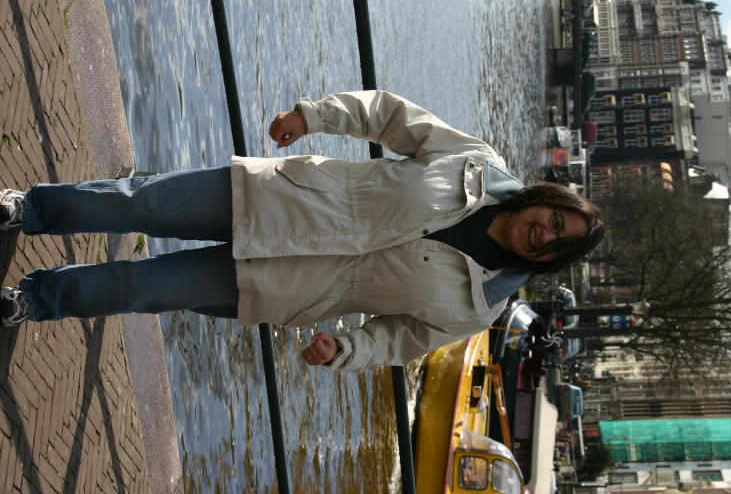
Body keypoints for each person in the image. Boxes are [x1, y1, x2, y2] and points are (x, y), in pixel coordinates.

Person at [0, 91, 605, 372]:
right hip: (275, 199)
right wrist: (312, 116)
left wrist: (344, 349)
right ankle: (29, 210)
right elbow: (390, 117)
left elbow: (395, 343)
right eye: (555, 220)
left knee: (141, 288)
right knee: (138, 204)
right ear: (546, 200)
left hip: (279, 285)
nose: (544, 235)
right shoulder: (475, 162)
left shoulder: (482, 306)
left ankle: (34, 299)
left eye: (560, 244)